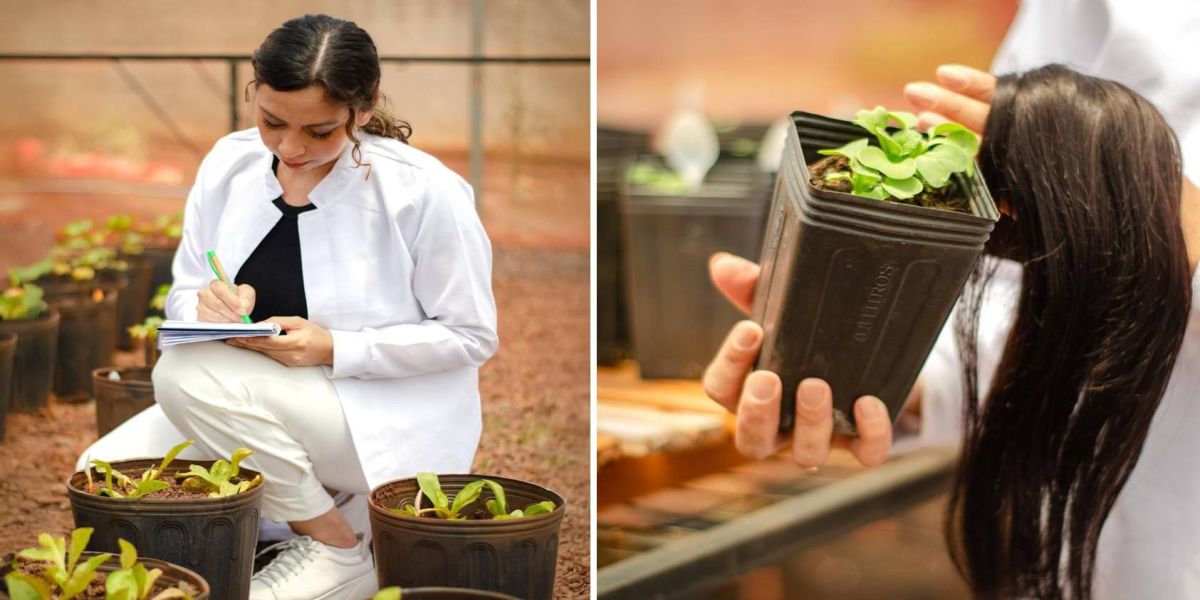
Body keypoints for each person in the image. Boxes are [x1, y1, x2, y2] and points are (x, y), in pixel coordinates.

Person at [79, 14, 498, 600]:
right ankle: (280, 531)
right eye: (272, 122)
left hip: (373, 422)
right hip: (246, 404)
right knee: (101, 473)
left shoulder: (422, 191)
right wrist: (208, 309)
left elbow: (471, 335)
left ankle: (336, 545)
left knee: (186, 373)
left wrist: (335, 346)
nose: (291, 147)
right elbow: (182, 294)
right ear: (255, 91)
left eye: (320, 131)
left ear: (365, 106)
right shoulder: (229, 164)